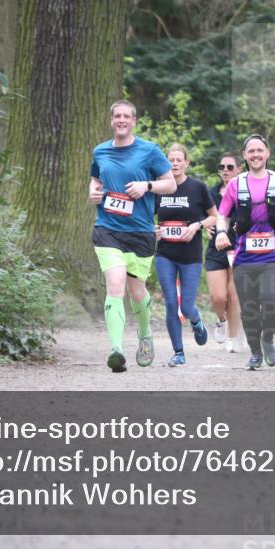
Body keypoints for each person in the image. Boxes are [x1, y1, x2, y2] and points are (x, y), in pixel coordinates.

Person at [88, 100, 176, 373]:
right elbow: (96, 179)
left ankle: (145, 334)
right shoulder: (100, 151)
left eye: (127, 116)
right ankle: (116, 350)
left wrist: (146, 185)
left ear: (134, 121)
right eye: (117, 116)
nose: (121, 120)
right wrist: (93, 191)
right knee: (115, 284)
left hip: (140, 232)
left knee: (137, 291)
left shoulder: (149, 151)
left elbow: (170, 183)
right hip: (107, 229)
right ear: (111, 120)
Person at [215, 135, 275, 370]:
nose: (255, 155)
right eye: (251, 151)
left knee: (271, 300)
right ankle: (255, 352)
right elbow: (222, 214)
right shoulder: (237, 184)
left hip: (274, 255)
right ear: (244, 155)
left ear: (267, 153)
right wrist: (221, 233)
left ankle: (267, 339)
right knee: (249, 307)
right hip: (244, 257)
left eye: (259, 150)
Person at [153, 143, 217, 366]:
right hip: (165, 255)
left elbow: (214, 217)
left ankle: (196, 321)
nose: (175, 163)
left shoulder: (198, 188)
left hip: (190, 256)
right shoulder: (160, 189)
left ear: (186, 163)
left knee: (186, 307)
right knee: (171, 303)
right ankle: (178, 352)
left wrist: (197, 225)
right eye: (171, 159)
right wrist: (153, 230)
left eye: (179, 159)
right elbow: (144, 217)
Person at [204, 152, 244, 353]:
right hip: (216, 250)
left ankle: (233, 338)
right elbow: (202, 215)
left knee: (234, 295)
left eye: (229, 167)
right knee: (218, 297)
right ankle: (222, 321)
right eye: (222, 167)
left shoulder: (245, 192)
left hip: (240, 249)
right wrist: (205, 225)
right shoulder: (211, 193)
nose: (225, 171)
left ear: (239, 169)